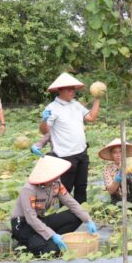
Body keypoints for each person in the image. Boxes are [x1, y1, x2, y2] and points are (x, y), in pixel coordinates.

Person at [10, 155, 97, 256]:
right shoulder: (29, 189)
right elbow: (31, 219)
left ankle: (48, 238)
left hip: (39, 220)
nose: (58, 176)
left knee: (76, 216)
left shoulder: (55, 183)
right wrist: (52, 235)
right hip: (23, 225)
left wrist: (88, 220)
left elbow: (70, 201)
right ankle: (24, 244)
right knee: (53, 250)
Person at [39, 73, 100, 204]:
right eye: (68, 89)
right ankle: (65, 216)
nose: (72, 91)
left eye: (73, 88)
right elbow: (44, 131)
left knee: (81, 187)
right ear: (60, 90)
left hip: (82, 153)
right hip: (65, 156)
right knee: (65, 189)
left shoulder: (76, 104)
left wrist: (97, 99)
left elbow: (91, 118)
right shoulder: (52, 108)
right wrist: (44, 119)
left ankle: (82, 216)